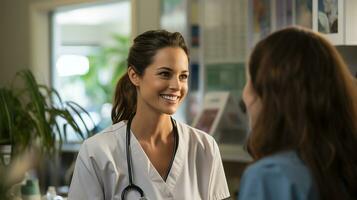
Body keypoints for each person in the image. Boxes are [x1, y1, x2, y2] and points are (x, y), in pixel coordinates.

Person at [68, 30, 230, 200]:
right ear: (134, 76)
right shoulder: (98, 151)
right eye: (165, 74)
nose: (176, 85)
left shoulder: (204, 147)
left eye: (183, 76)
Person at [238, 27, 357, 200]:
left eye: (250, 80)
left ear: (269, 98)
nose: (244, 95)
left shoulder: (270, 176)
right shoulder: (345, 169)